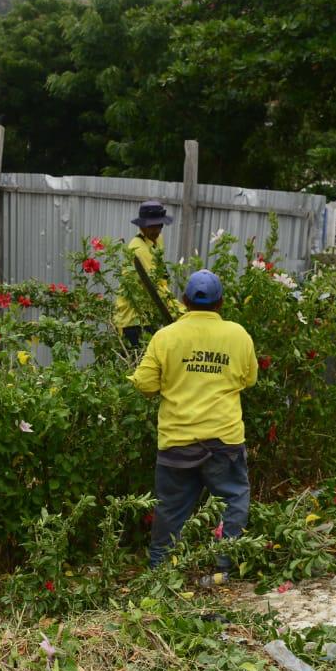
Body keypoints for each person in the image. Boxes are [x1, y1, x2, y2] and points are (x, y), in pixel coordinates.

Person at [129, 270, 258, 586]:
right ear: (221, 302)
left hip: (177, 442)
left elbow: (144, 384)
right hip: (223, 442)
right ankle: (221, 569)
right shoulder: (238, 335)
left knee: (170, 511)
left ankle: (159, 574)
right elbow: (248, 378)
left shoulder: (166, 336)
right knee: (234, 499)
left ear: (185, 301)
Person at [114, 200, 184, 347]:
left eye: (159, 225)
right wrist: (182, 312)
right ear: (142, 226)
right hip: (133, 320)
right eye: (151, 226)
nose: (156, 230)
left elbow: (160, 275)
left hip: (148, 314)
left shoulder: (157, 239)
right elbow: (156, 287)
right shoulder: (138, 248)